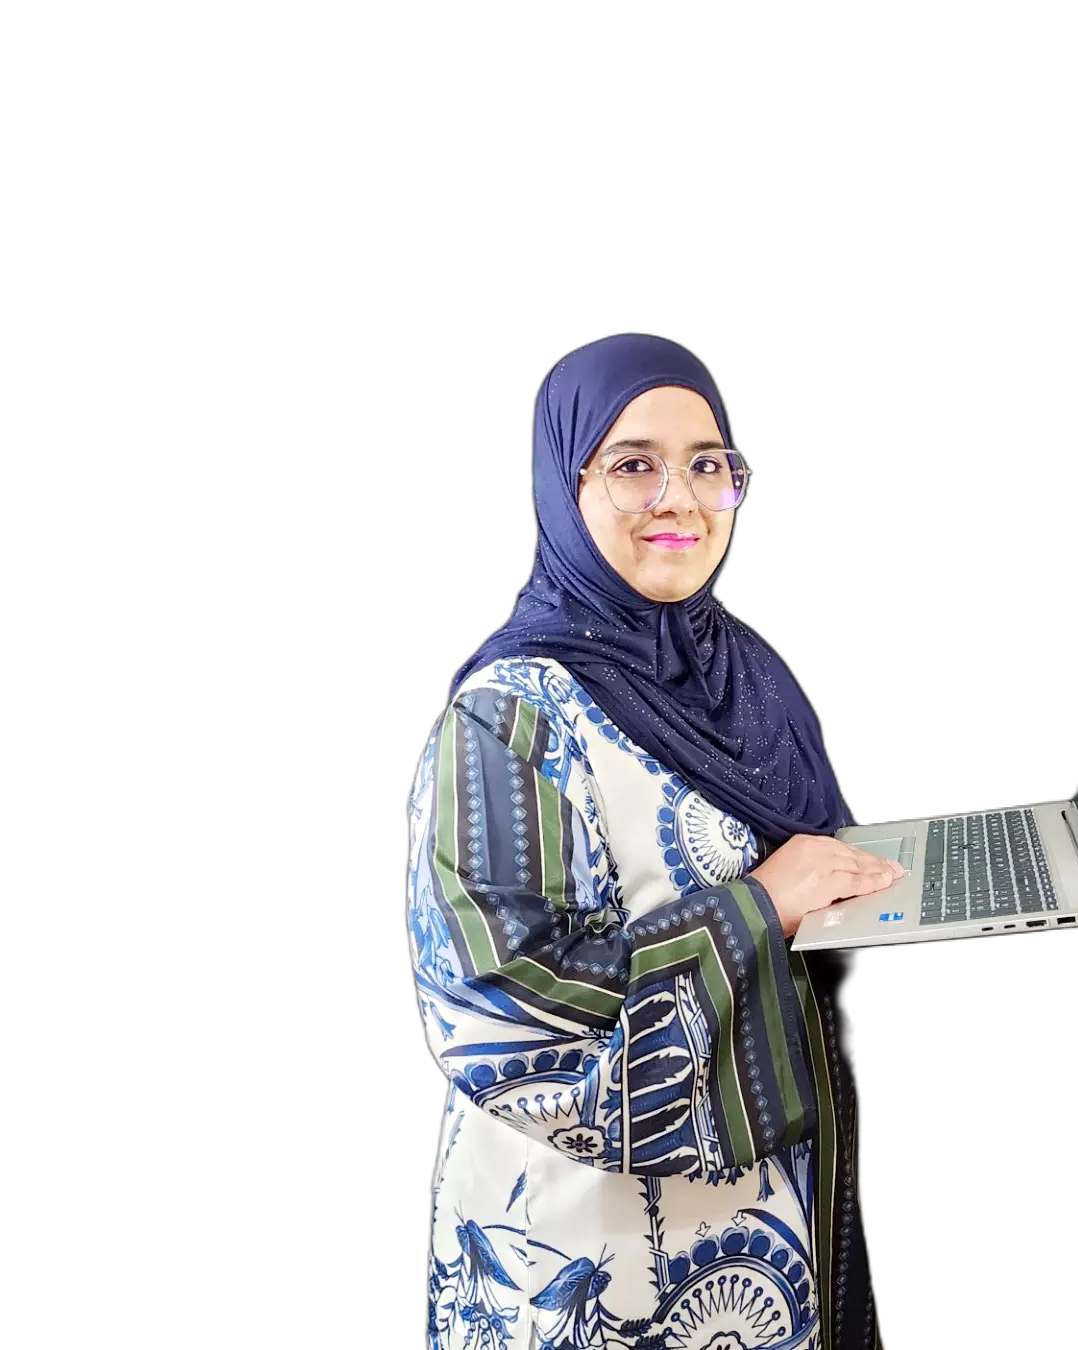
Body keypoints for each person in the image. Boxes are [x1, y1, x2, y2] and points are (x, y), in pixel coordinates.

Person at [406, 333, 895, 1350]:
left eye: (707, 465)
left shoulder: (740, 671)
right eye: (634, 465)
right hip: (587, 1272)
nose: (680, 499)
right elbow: (504, 1024)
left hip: (762, 1253)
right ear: (562, 483)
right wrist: (762, 906)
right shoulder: (507, 722)